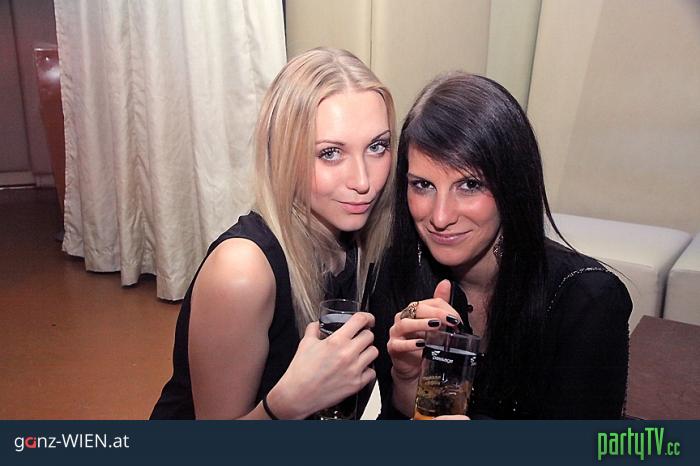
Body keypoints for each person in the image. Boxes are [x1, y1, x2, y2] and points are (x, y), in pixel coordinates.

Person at [150, 47, 396, 419]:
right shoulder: (242, 271)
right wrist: (286, 404)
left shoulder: (362, 244)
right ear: (282, 153)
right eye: (330, 153)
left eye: (377, 147)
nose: (363, 181)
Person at [371, 72, 632, 420]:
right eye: (423, 185)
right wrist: (406, 380)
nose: (440, 216)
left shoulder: (585, 300)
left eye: (469, 185)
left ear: (513, 184)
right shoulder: (398, 272)